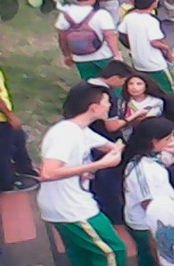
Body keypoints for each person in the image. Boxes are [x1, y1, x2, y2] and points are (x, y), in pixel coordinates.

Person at [37, 84, 127, 266]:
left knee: (81, 254)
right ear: (93, 107)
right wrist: (98, 165)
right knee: (112, 251)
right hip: (72, 208)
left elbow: (113, 147)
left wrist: (96, 164)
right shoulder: (65, 134)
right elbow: (48, 172)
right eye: (107, 102)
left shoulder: (82, 130)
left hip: (64, 204)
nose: (110, 105)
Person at [122, 117, 174, 266]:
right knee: (152, 258)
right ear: (153, 141)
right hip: (148, 224)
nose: (171, 141)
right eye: (167, 139)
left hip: (157, 220)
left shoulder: (152, 159)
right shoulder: (143, 169)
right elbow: (148, 203)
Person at [56, 0, 121, 80]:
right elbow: (109, 35)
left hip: (80, 57)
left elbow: (62, 37)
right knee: (112, 83)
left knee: (90, 85)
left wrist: (67, 55)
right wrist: (117, 55)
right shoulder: (101, 14)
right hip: (103, 55)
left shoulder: (65, 15)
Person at [118, 0, 174, 93]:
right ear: (153, 3)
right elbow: (155, 42)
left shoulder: (129, 17)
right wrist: (166, 49)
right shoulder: (151, 21)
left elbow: (122, 33)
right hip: (155, 63)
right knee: (165, 89)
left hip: (138, 61)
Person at [0, 65, 37, 192]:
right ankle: (6, 184)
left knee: (18, 138)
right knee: (4, 152)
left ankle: (24, 170)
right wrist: (10, 117)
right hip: (2, 119)